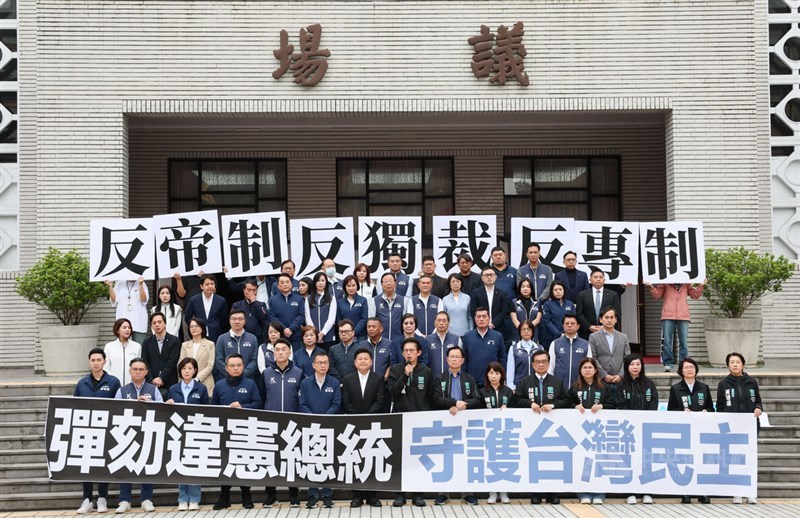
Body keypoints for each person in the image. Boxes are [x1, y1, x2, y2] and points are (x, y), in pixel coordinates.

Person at [512, 349, 569, 505]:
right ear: (532, 364)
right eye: (538, 362)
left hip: (552, 429)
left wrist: (553, 405)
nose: (541, 364)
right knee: (534, 460)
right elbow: (516, 400)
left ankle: (552, 493)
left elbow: (566, 400)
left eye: (544, 361)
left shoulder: (557, 382)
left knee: (552, 460)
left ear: (549, 363)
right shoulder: (524, 382)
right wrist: (530, 404)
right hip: (532, 430)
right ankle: (536, 493)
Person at [211, 353, 262, 510]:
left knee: (244, 465)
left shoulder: (251, 384)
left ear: (243, 366)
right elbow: (213, 409)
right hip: (225, 432)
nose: (235, 368)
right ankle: (224, 497)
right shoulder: (219, 385)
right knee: (225, 464)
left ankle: (246, 497)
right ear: (226, 368)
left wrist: (243, 407)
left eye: (239, 365)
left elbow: (259, 404)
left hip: (245, 431)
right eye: (232, 365)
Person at [431, 346, 481, 505]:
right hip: (446, 422)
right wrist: (452, 404)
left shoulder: (469, 379)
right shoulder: (439, 378)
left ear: (462, 360)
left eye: (457, 357)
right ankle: (443, 493)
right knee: (445, 457)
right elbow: (436, 398)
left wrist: (463, 405)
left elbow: (477, 399)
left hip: (465, 423)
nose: (454, 359)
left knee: (464, 457)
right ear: (447, 359)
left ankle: (467, 493)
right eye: (451, 356)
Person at [74, 348, 121, 515]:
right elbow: (75, 406)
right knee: (86, 464)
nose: (95, 363)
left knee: (103, 464)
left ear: (104, 361)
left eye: (98, 360)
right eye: (92, 360)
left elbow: (119, 405)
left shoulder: (113, 382)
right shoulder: (82, 383)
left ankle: (102, 498)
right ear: (89, 362)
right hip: (86, 430)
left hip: (107, 429)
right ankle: (87, 499)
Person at [388, 338, 434, 507]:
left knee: (418, 459)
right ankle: (400, 494)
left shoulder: (426, 371)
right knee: (400, 459)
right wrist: (404, 375)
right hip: (401, 419)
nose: (408, 353)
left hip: (420, 420)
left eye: (412, 350)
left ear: (419, 353)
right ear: (402, 353)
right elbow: (393, 392)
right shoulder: (395, 369)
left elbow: (430, 396)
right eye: (406, 351)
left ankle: (418, 494)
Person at [114, 357, 161, 513]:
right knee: (125, 466)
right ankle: (124, 500)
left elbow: (161, 410)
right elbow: (116, 411)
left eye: (141, 369)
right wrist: (135, 402)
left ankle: (146, 499)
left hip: (147, 433)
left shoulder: (154, 390)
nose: (138, 372)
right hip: (126, 435)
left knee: (146, 466)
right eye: (135, 369)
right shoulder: (122, 390)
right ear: (130, 371)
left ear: (146, 372)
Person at [261, 339, 303, 507]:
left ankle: (293, 494)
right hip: (271, 423)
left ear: (289, 352)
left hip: (292, 424)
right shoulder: (266, 373)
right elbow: (263, 397)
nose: (280, 352)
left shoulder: (299, 373)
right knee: (271, 460)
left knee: (291, 460)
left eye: (283, 349)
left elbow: (302, 398)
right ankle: (271, 495)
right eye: (277, 349)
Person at [717, 351, 762, 504]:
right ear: (728, 366)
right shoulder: (724, 384)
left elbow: (758, 402)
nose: (735, 364)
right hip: (732, 428)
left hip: (749, 426)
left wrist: (758, 408)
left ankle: (749, 493)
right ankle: (736, 492)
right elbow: (720, 406)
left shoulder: (751, 382)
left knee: (748, 459)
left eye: (737, 362)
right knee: (734, 459)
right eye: (731, 362)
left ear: (743, 364)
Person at [341, 347, 385, 508]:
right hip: (354, 425)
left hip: (372, 425)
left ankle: (372, 496)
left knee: (371, 460)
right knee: (355, 460)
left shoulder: (378, 378)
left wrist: (367, 416)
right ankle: (357, 495)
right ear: (355, 362)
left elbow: (381, 401)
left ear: (371, 361)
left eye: (366, 358)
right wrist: (358, 417)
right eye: (360, 359)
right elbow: (345, 401)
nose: (363, 361)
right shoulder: (348, 379)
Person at [668, 357, 714, 505]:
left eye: (692, 367)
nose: (689, 369)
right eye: (686, 367)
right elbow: (671, 410)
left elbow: (712, 408)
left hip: (701, 431)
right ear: (681, 371)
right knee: (685, 461)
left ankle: (702, 492)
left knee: (700, 461)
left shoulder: (704, 387)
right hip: (684, 432)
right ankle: (686, 492)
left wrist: (707, 411)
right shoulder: (676, 388)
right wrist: (682, 411)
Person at [165, 357, 209, 511]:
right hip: (178, 431)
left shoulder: (201, 389)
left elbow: (207, 411)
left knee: (194, 465)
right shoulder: (173, 389)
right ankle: (182, 498)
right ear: (180, 371)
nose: (187, 371)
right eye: (184, 369)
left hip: (196, 431)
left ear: (195, 370)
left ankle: (195, 498)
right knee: (180, 464)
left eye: (190, 368)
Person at [299, 350, 342, 508]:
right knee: (312, 460)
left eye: (326, 363)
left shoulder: (334, 383)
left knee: (327, 461)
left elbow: (337, 404)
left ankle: (327, 494)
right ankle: (312, 494)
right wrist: (314, 418)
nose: (323, 365)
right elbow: (302, 404)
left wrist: (324, 418)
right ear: (313, 365)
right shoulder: (305, 383)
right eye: (320, 363)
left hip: (329, 426)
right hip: (311, 426)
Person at [568, 357, 613, 505]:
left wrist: (602, 406)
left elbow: (614, 403)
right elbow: (567, 402)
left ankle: (599, 492)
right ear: (580, 370)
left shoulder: (603, 387)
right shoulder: (575, 387)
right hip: (580, 431)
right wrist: (575, 406)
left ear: (595, 370)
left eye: (590, 367)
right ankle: (583, 493)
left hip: (599, 431)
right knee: (582, 461)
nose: (587, 370)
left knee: (599, 461)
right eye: (584, 367)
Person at [617, 354, 657, 505]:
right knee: (630, 460)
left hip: (646, 429)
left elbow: (654, 402)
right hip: (629, 430)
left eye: (638, 364)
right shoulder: (622, 384)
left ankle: (647, 492)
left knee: (646, 460)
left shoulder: (649, 383)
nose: (635, 367)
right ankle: (630, 492)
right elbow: (619, 404)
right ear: (627, 367)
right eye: (632, 364)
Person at [647, 281, 706, 372]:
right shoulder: (665, 282)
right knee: (667, 341)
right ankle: (668, 363)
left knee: (684, 342)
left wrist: (701, 286)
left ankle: (684, 364)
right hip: (668, 314)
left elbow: (695, 295)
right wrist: (651, 286)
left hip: (683, 315)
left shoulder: (686, 283)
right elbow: (657, 295)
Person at [480, 362, 513, 505]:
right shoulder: (481, 391)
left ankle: (504, 491)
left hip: (505, 431)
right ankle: (492, 492)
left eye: (497, 373)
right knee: (490, 461)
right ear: (487, 375)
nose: (494, 376)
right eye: (491, 373)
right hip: (488, 431)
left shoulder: (508, 391)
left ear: (502, 375)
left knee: (504, 459)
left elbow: (516, 407)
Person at [588, 307, 630, 396]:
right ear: (600, 320)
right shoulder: (593, 337)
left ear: (616, 320)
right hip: (601, 380)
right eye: (606, 317)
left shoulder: (623, 337)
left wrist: (620, 375)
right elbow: (592, 358)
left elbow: (627, 358)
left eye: (612, 317)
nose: (609, 320)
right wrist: (604, 375)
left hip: (620, 380)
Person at [462, 307, 507, 388]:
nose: (481, 319)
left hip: (493, 382)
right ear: (475, 319)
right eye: (478, 317)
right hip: (472, 383)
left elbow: (502, 359)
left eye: (484, 316)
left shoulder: (497, 336)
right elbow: (464, 360)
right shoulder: (467, 337)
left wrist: (502, 378)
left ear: (489, 318)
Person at [469, 267, 515, 344]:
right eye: (486, 275)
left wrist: (493, 323)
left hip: (499, 328)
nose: (489, 277)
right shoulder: (475, 293)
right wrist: (484, 323)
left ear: (495, 277)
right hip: (480, 328)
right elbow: (473, 310)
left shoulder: (502, 294)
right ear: (482, 278)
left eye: (491, 275)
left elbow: (504, 311)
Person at [141, 311, 181, 399]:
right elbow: (145, 362)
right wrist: (152, 379)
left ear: (165, 323)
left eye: (159, 322)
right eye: (154, 323)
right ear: (151, 326)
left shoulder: (174, 341)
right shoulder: (147, 342)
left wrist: (162, 378)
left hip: (170, 381)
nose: (157, 325)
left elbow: (173, 361)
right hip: (151, 383)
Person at [548, 314, 591, 391]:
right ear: (563, 326)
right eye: (567, 323)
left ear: (578, 326)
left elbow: (589, 367)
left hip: (580, 387)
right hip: (559, 387)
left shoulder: (585, 344)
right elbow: (550, 367)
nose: (569, 325)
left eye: (572, 323)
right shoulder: (555, 343)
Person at [213, 309, 259, 381]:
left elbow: (254, 360)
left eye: (240, 319)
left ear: (245, 321)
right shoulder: (222, 339)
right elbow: (219, 360)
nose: (237, 322)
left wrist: (243, 373)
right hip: (226, 379)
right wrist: (231, 373)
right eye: (234, 319)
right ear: (229, 320)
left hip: (247, 379)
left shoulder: (252, 338)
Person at [575, 269, 621, 340]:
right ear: (590, 280)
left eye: (600, 277)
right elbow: (579, 314)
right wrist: (589, 326)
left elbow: (617, 313)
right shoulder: (582, 295)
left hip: (608, 331)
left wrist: (604, 326)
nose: (598, 279)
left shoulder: (613, 295)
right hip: (587, 332)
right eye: (595, 277)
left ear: (604, 280)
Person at [183, 275, 229, 342]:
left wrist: (216, 326)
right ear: (201, 286)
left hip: (215, 334)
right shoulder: (194, 300)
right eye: (207, 284)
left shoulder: (221, 300)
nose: (210, 286)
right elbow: (187, 317)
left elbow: (224, 320)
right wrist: (195, 326)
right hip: (199, 334)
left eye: (212, 284)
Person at [105, 276, 149, 344]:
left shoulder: (142, 283)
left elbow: (144, 300)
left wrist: (140, 284)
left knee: (140, 346)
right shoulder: (120, 283)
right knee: (122, 345)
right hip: (123, 319)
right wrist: (110, 286)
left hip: (138, 321)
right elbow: (114, 301)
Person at [268, 273, 306, 350]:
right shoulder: (272, 300)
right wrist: (284, 329)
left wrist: (291, 329)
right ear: (278, 286)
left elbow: (301, 315)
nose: (285, 284)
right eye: (282, 283)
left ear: (291, 284)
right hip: (280, 336)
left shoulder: (299, 299)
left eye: (287, 282)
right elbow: (271, 316)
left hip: (296, 336)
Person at [179, 317, 215, 395]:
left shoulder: (210, 344)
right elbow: (181, 364)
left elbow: (210, 365)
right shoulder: (185, 345)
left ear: (202, 328)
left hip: (205, 382)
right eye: (191, 326)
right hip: (187, 382)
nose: (193, 328)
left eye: (196, 326)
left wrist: (197, 378)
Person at [305, 271, 338, 350]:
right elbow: (307, 317)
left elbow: (332, 318)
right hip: (313, 337)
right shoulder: (308, 298)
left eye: (323, 281)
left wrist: (322, 333)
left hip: (328, 336)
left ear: (326, 283)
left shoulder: (331, 297)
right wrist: (315, 334)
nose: (320, 283)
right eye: (318, 281)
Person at [103, 318, 141, 387]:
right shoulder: (109, 347)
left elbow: (139, 367)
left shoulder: (137, 346)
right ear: (117, 330)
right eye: (124, 327)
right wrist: (112, 381)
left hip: (132, 385)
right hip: (113, 385)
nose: (127, 330)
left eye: (129, 328)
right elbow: (106, 367)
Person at [368, 272, 406, 341]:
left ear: (395, 284)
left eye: (391, 281)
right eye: (385, 281)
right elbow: (371, 321)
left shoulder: (403, 300)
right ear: (382, 285)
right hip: (380, 339)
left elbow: (405, 321)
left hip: (398, 339)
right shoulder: (374, 300)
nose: (388, 283)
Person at [506, 320, 542, 390]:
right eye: (523, 329)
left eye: (528, 329)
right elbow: (510, 370)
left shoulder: (539, 348)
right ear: (519, 332)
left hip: (536, 386)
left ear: (532, 331)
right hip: (519, 387)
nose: (526, 331)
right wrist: (511, 387)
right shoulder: (514, 348)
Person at [540, 280, 575, 349]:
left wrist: (566, 333)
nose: (558, 291)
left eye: (560, 289)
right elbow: (547, 321)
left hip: (568, 336)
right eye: (555, 290)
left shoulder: (570, 304)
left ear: (564, 290)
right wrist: (559, 334)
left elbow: (574, 320)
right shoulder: (547, 304)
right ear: (552, 292)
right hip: (551, 337)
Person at [426, 311, 462, 378]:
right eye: (439, 320)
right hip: (433, 380)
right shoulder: (428, 340)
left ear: (448, 322)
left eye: (444, 321)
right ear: (435, 323)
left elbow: (460, 361)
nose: (441, 323)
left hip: (451, 380)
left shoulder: (456, 340)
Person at [337, 275, 368, 340]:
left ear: (357, 286)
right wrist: (345, 332)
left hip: (360, 336)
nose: (351, 288)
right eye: (348, 286)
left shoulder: (363, 300)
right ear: (345, 287)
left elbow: (364, 318)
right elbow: (338, 319)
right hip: (344, 336)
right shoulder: (340, 302)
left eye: (353, 285)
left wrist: (354, 332)